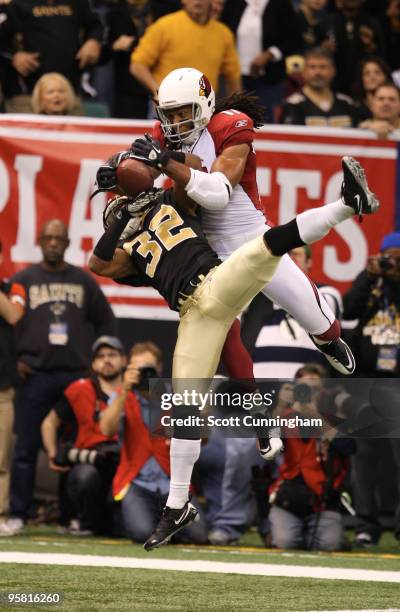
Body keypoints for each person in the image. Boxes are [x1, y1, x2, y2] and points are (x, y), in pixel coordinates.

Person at [89, 153, 379, 550]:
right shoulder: (132, 254)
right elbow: (99, 263)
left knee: (267, 243)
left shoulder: (171, 203)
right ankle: (178, 505)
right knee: (185, 406)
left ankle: (347, 204)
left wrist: (156, 162)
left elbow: (191, 176)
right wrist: (124, 216)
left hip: (216, 283)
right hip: (194, 315)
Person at [132, 67, 357, 377]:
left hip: (248, 236)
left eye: (182, 112)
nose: (174, 123)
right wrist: (120, 170)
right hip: (203, 250)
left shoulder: (230, 126)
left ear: (204, 106)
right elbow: (142, 174)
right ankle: (249, 396)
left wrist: (165, 162)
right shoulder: (163, 133)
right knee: (220, 327)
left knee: (322, 323)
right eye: (168, 114)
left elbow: (219, 193)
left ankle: (327, 340)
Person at [0, 219, 116, 537]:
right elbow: (6, 326)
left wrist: (97, 359)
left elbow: (106, 321)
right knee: (24, 448)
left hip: (75, 378)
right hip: (34, 375)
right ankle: (18, 514)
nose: (53, 242)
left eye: (59, 238)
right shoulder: (23, 279)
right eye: (48, 237)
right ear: (40, 241)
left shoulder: (83, 281)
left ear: (67, 242)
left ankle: (70, 515)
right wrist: (16, 361)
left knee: (75, 446)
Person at [99, 340, 208, 544]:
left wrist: (202, 418)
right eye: (137, 369)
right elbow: (106, 429)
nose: (143, 373)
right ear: (129, 369)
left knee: (199, 536)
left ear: (159, 368)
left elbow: (202, 441)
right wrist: (124, 389)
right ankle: (156, 524)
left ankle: (166, 523)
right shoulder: (123, 396)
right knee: (142, 533)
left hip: (172, 483)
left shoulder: (178, 396)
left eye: (148, 368)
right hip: (138, 483)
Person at [343, 231, 400, 546]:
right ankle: (366, 525)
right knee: (365, 457)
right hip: (367, 380)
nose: (391, 262)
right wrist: (368, 276)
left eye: (398, 257)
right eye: (387, 256)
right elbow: (347, 311)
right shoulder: (371, 282)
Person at [41, 336, 125, 536]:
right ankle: (81, 520)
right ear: (94, 364)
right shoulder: (80, 389)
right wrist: (53, 454)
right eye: (101, 356)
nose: (106, 360)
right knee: (86, 475)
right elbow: (49, 422)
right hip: (88, 461)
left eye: (112, 355)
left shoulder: (138, 391)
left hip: (125, 463)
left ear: (124, 359)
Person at [268, 364, 355, 551]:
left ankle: (331, 534)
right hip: (289, 498)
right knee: (286, 543)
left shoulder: (335, 416)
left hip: (323, 500)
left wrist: (312, 414)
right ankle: (277, 531)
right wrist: (280, 405)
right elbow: (265, 444)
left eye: (313, 389)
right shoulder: (285, 416)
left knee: (328, 546)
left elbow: (348, 447)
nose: (307, 394)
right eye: (302, 389)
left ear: (324, 391)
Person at [242, 245, 343, 378]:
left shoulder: (326, 292)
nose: (288, 258)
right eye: (285, 255)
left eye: (295, 254)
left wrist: (289, 279)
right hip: (260, 384)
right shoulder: (260, 297)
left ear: (309, 262)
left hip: (306, 385)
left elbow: (325, 311)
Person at [2, 0, 103, 113]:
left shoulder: (78, 3)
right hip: (26, 96)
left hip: (69, 94)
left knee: (73, 129)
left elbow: (96, 26)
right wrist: (13, 57)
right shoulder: (16, 4)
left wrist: (93, 41)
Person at [130, 0, 241, 100]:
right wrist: (158, 91)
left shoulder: (223, 34)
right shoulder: (164, 26)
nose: (198, 1)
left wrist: (236, 107)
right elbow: (137, 65)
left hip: (205, 105)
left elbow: (233, 76)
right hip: (168, 104)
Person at [220, 0, 301, 123]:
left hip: (270, 79)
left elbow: (293, 38)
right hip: (236, 78)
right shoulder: (234, 3)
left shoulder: (280, 4)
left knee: (266, 121)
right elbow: (223, 32)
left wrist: (270, 54)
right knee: (236, 121)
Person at [0, 240, 24, 521]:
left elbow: (14, 314)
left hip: (3, 389)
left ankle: (2, 515)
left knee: (2, 458)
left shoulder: (13, 289)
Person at [319, 0, 386, 94]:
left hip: (364, 87)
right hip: (333, 86)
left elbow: (383, 60)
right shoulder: (327, 22)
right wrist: (324, 50)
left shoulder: (373, 25)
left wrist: (370, 46)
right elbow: (314, 54)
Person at [280, 47, 356, 127]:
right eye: (312, 67)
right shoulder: (293, 105)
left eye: (323, 67)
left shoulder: (346, 104)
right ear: (304, 72)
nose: (317, 72)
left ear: (333, 71)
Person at [352, 56, 393, 123]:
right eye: (367, 73)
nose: (372, 77)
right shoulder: (353, 108)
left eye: (377, 72)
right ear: (361, 79)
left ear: (386, 77)